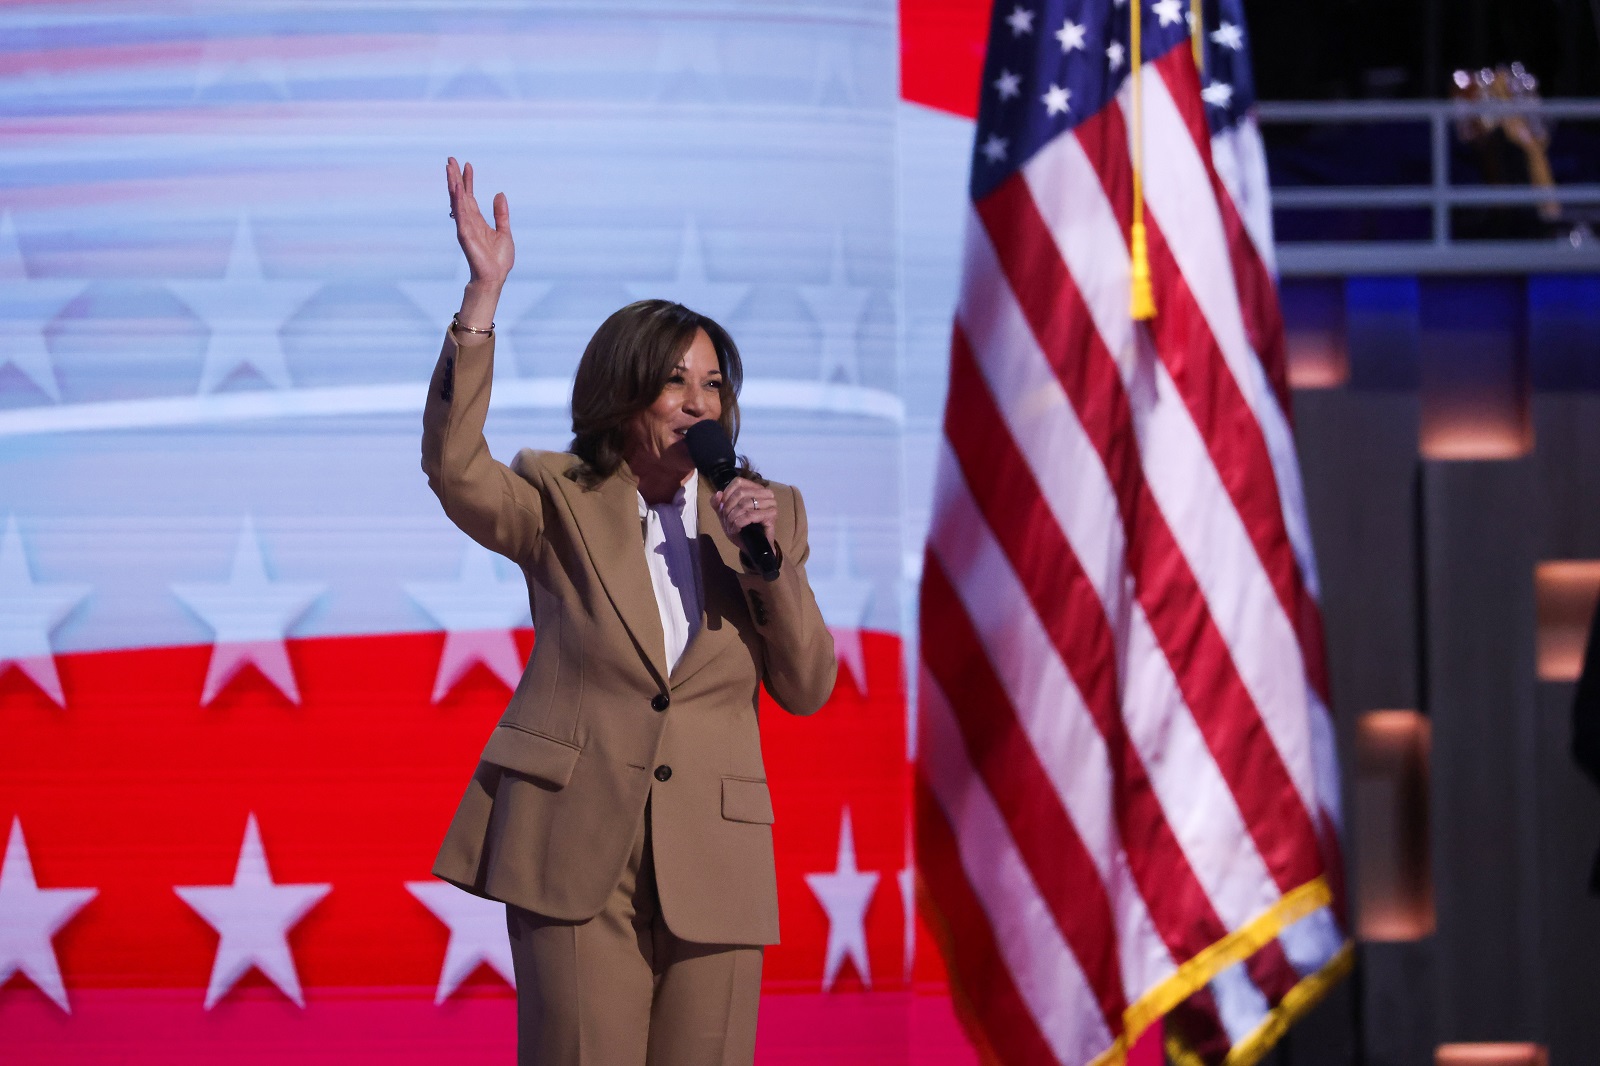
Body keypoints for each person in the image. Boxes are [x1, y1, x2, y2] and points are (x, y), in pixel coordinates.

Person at [421, 157, 838, 1065]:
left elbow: (807, 689)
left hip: (716, 857)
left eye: (713, 386)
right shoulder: (558, 496)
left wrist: (769, 571)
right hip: (576, 848)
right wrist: (480, 301)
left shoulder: (771, 513)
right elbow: (455, 472)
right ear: (624, 394)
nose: (699, 404)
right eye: (676, 384)